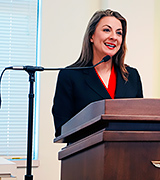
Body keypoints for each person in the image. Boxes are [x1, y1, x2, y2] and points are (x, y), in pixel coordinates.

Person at [52, 9, 143, 137]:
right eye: (107, 30)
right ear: (91, 36)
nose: (113, 37)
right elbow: (62, 127)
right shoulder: (70, 75)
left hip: (125, 152)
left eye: (119, 33)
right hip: (85, 154)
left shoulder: (132, 76)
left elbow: (140, 123)